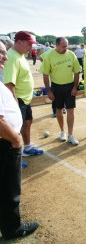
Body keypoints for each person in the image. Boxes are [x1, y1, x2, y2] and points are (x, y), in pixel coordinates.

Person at [0, 41, 39, 240]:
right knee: (9, 189)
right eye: (1, 53)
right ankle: (12, 229)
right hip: (5, 143)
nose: (5, 57)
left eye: (5, 53)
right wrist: (15, 139)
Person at [3, 31, 44, 157]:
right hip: (18, 99)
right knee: (15, 127)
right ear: (19, 42)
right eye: (29, 44)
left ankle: (26, 147)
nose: (31, 48)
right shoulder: (12, 57)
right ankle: (15, 155)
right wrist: (14, 103)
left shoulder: (19, 55)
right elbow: (9, 84)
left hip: (24, 98)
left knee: (27, 122)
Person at [41, 37, 81, 145]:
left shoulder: (71, 54)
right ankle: (62, 132)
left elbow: (77, 71)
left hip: (69, 86)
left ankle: (71, 135)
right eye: (63, 46)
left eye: (67, 46)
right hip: (56, 87)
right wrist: (49, 91)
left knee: (71, 110)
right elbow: (45, 74)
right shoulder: (49, 55)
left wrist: (75, 87)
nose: (66, 48)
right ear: (57, 45)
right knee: (58, 109)